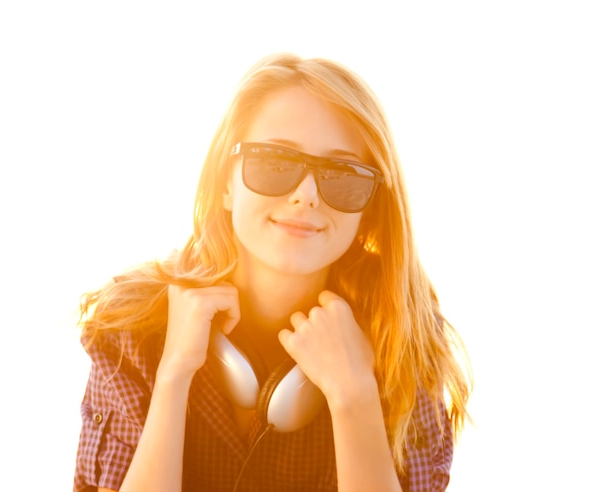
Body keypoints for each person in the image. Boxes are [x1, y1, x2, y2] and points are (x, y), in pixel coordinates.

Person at [73, 52, 472, 492]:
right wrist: (173, 376)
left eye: (341, 175)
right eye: (277, 161)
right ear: (226, 182)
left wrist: (355, 396)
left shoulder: (404, 339)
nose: (306, 196)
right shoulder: (133, 327)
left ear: (370, 207)